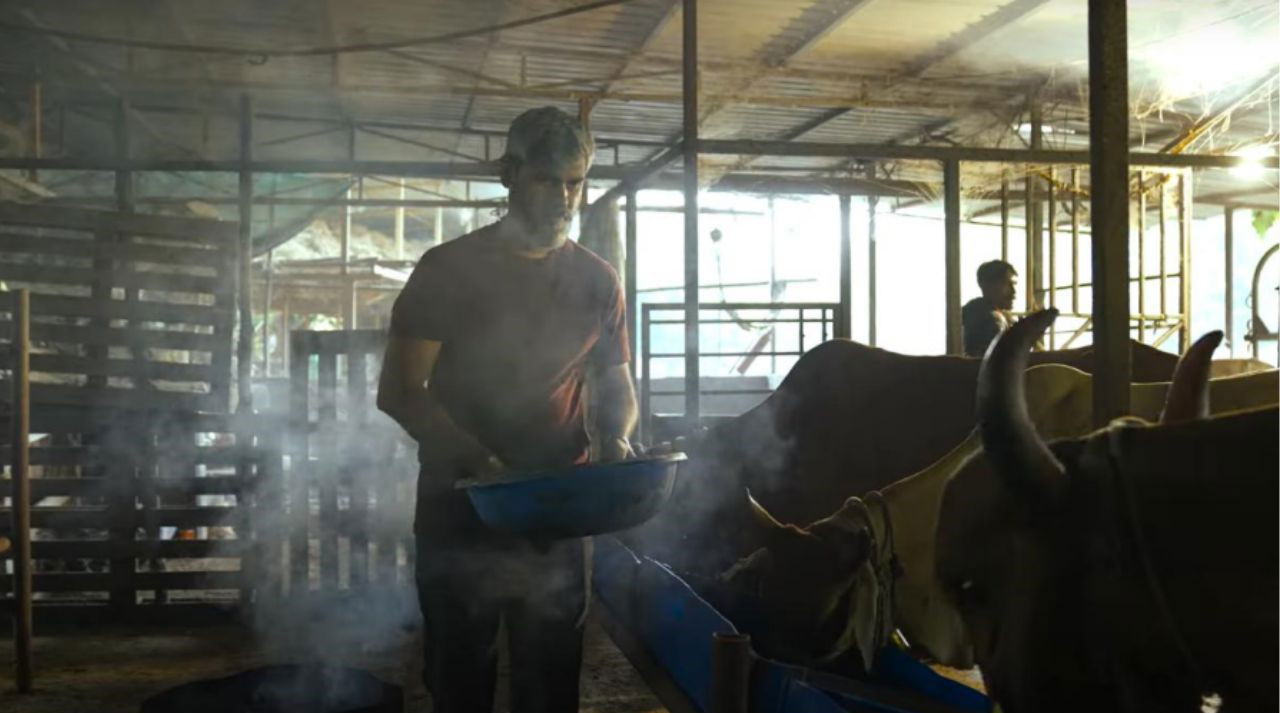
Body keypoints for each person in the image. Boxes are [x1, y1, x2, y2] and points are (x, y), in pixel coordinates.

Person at [376, 106, 638, 713]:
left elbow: (617, 381)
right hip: (460, 508)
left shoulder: (598, 281)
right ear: (508, 173)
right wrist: (479, 462)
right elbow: (399, 392)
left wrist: (617, 437)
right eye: (548, 180)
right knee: (460, 677)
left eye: (575, 181)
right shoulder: (448, 270)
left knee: (550, 684)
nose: (564, 197)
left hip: (557, 513)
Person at [962, 260, 1018, 357]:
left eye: (1013, 284)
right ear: (987, 285)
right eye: (1006, 284)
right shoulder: (992, 318)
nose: (1013, 291)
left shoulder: (971, 310)